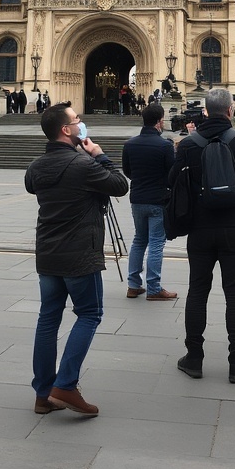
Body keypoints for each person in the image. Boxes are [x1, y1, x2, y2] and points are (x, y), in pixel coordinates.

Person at [24, 102, 129, 417]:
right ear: (66, 130)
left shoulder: (36, 167)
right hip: (79, 255)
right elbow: (120, 185)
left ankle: (43, 393)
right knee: (89, 314)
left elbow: (33, 185)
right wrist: (97, 153)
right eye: (76, 119)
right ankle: (66, 384)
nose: (81, 122)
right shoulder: (83, 165)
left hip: (48, 253)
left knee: (48, 318)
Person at [170, 87, 235, 383]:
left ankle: (194, 358)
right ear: (230, 110)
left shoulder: (190, 143)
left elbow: (172, 180)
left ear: (205, 111)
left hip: (200, 228)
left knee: (198, 290)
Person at [122, 103, 177, 301]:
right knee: (156, 243)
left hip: (137, 198)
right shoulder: (164, 145)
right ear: (160, 121)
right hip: (157, 200)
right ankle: (153, 287)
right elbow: (172, 174)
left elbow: (127, 171)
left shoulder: (130, 144)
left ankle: (133, 285)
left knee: (139, 240)